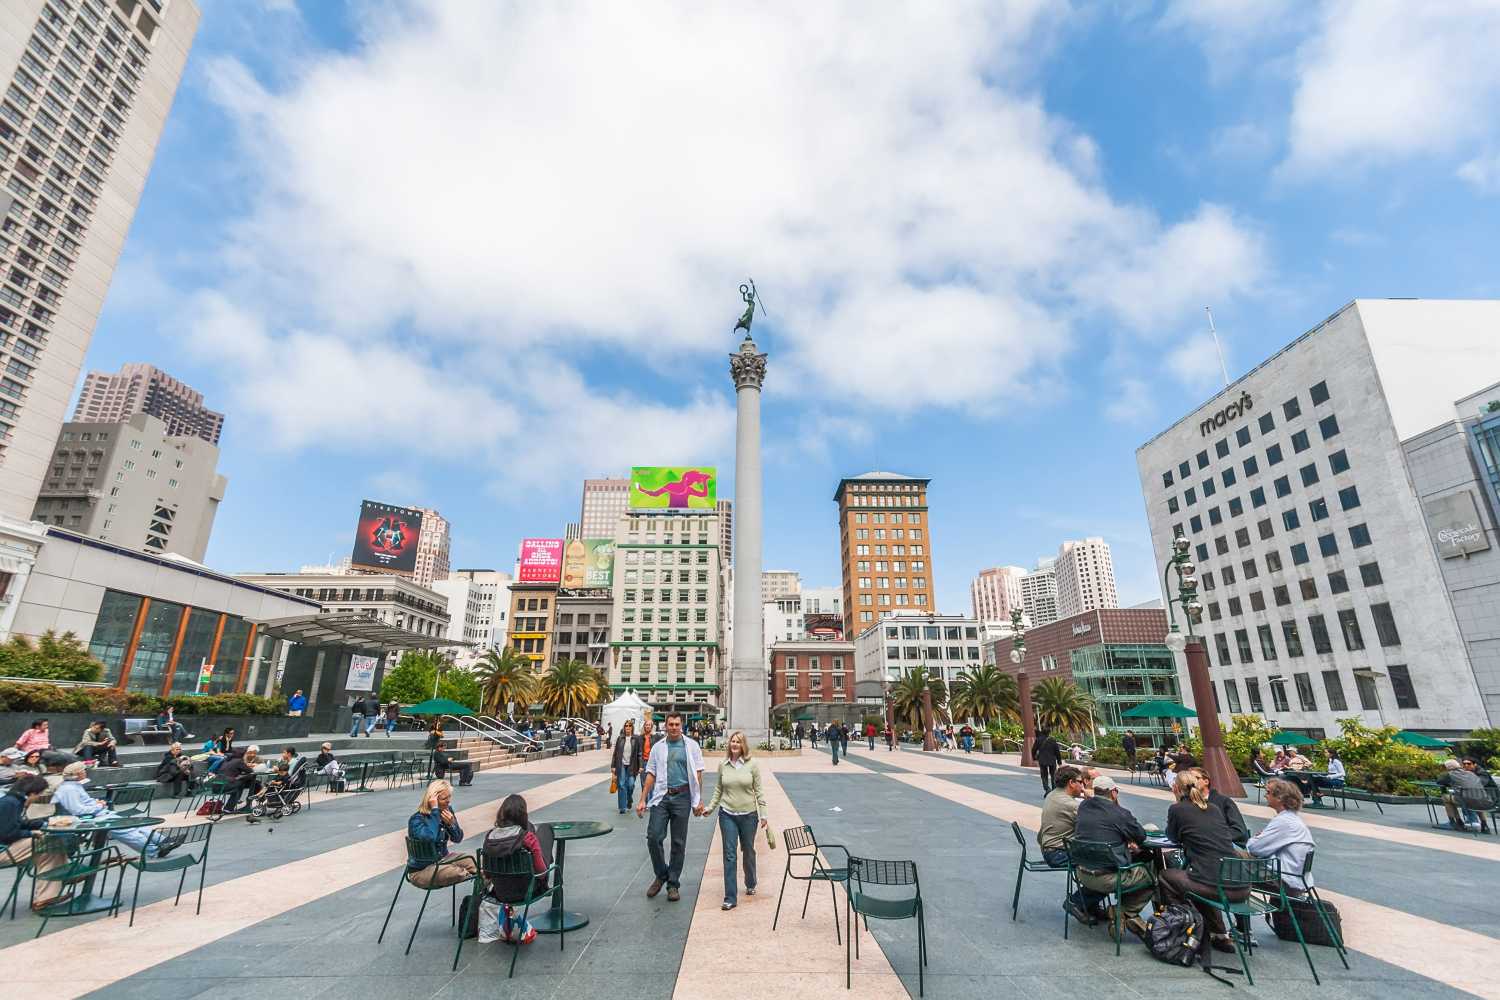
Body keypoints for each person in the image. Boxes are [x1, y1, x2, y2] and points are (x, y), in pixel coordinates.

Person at [1161, 769, 1247, 953]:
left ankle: (1184, 927)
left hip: (1216, 887)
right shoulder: (1214, 808)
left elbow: (1172, 837)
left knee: (1167, 876)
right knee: (1198, 880)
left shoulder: (1177, 809)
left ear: (1176, 788)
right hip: (1241, 886)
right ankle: (1219, 934)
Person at [1073, 775, 1153, 941]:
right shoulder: (1119, 813)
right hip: (1108, 878)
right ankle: (1125, 911)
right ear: (1113, 793)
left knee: (1132, 865)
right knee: (1152, 874)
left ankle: (1124, 915)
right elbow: (1141, 835)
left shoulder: (1083, 807)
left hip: (1082, 873)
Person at [636, 712, 705, 902]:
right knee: (653, 836)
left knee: (678, 842)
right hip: (661, 797)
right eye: (670, 724)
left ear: (681, 725)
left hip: (683, 797)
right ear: (666, 726)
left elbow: (698, 773)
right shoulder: (658, 748)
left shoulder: (691, 746)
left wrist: (698, 800)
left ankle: (673, 883)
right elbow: (650, 774)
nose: (673, 727)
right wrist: (642, 799)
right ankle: (661, 874)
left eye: (676, 724)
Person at [52, 762, 185, 857]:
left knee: (133, 824)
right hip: (84, 819)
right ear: (78, 773)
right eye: (84, 770)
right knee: (124, 829)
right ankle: (154, 851)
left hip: (97, 814)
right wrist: (97, 806)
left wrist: (96, 803)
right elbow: (78, 810)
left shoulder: (74, 786)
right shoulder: (68, 789)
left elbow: (83, 804)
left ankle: (162, 841)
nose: (86, 772)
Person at [705, 730, 767, 910]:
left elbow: (759, 791)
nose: (735, 744)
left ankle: (750, 882)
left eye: (738, 742)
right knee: (729, 854)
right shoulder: (723, 765)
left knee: (748, 850)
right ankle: (730, 897)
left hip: (749, 815)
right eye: (733, 741)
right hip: (727, 814)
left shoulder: (752, 764)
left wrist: (763, 814)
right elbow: (718, 789)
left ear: (743, 745)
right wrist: (710, 807)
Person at [479, 793, 552, 944]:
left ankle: (508, 922)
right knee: (545, 830)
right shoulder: (528, 838)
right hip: (527, 891)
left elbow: (487, 873)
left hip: (500, 893)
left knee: (533, 831)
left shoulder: (489, 838)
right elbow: (541, 872)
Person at [1037, 765, 1103, 923]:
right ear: (1072, 783)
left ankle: (1090, 904)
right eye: (1081, 782)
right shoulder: (1069, 804)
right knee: (1107, 864)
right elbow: (1100, 819)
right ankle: (1078, 902)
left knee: (1099, 858)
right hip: (1058, 853)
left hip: (1051, 848)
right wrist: (1093, 800)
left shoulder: (1054, 794)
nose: (1083, 785)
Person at [1246, 778, 1315, 896]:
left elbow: (1254, 848)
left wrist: (1255, 839)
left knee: (1228, 863)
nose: (1265, 796)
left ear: (1280, 798)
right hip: (1296, 879)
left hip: (1285, 881)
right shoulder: (1292, 819)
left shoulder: (1284, 821)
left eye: (1268, 792)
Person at [407, 779, 478, 888]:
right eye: (444, 798)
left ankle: (481, 899)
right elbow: (430, 837)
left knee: (476, 862)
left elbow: (457, 838)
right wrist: (435, 811)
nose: (448, 801)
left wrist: (451, 824)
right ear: (432, 800)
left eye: (449, 797)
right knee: (456, 872)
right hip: (421, 870)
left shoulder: (446, 811)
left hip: (443, 860)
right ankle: (475, 877)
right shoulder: (417, 820)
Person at [1436, 758, 1491, 833]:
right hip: (1483, 801)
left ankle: (1455, 822)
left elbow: (1439, 781)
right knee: (1477, 800)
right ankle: (1484, 825)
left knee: (1445, 798)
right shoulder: (1471, 773)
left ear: (1447, 767)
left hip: (1467, 801)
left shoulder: (1450, 774)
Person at [1197, 768, 1250, 846]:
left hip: (1227, 846)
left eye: (1196, 778)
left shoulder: (1224, 801)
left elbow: (1239, 831)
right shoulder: (1188, 804)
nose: (1191, 782)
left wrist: (1212, 837)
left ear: (1206, 781)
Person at [219, 746, 263, 816]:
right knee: (242, 785)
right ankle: (229, 808)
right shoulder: (239, 761)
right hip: (228, 784)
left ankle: (231, 807)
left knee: (252, 783)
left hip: (219, 785)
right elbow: (250, 771)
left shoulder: (227, 760)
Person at [611, 719, 643, 814]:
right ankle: (622, 807)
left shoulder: (636, 739)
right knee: (621, 784)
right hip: (621, 765)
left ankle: (629, 799)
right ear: (624, 728)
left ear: (632, 728)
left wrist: (640, 766)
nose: (628, 727)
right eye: (626, 726)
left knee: (631, 784)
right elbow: (615, 753)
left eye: (629, 726)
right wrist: (613, 766)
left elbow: (639, 754)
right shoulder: (620, 738)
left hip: (632, 766)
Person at [1033, 727, 1062, 795]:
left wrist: (1034, 758)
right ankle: (1054, 789)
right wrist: (1059, 761)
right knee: (1053, 775)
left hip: (1042, 760)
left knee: (1044, 775)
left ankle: (1047, 789)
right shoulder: (1052, 740)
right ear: (1049, 733)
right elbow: (1057, 751)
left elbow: (1033, 749)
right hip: (1052, 760)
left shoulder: (1038, 740)